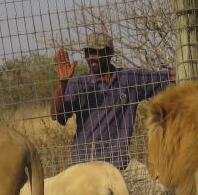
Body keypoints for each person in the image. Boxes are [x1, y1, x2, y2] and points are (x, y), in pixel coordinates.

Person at [50, 32, 172, 170]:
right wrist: (63, 83)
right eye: (88, 53)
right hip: (86, 165)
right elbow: (57, 116)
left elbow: (166, 76)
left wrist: (195, 68)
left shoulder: (129, 79)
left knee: (156, 190)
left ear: (110, 52)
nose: (91, 58)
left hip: (119, 164)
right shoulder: (79, 84)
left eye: (97, 52)